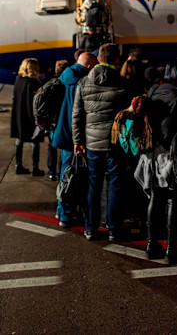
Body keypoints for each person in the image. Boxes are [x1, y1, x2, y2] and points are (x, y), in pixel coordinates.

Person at [73, 44, 131, 241]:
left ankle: (90, 228)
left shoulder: (83, 83)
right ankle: (114, 229)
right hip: (115, 142)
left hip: (91, 143)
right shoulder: (123, 83)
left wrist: (77, 141)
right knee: (115, 185)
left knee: (93, 184)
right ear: (117, 61)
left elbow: (77, 115)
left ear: (98, 59)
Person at [144, 59, 177, 260]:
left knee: (155, 196)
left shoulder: (153, 91)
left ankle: (151, 245)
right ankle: (170, 248)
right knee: (173, 199)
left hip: (151, 153)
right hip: (174, 153)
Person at [51, 52, 98, 227]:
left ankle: (61, 209)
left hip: (61, 133)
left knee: (66, 173)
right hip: (73, 136)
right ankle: (66, 215)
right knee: (71, 176)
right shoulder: (80, 83)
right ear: (88, 67)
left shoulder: (65, 76)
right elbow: (77, 114)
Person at [10, 58, 44, 176]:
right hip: (31, 116)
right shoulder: (34, 83)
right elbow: (37, 102)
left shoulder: (18, 80)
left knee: (19, 140)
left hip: (19, 115)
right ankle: (35, 168)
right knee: (35, 141)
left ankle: (18, 165)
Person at [43, 59, 69, 181]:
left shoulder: (50, 84)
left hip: (53, 122)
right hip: (64, 121)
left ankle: (51, 171)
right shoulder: (69, 84)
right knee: (63, 147)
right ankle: (60, 173)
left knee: (51, 146)